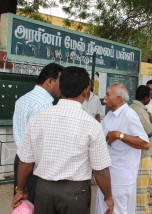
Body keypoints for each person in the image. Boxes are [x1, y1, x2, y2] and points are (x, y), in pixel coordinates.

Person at [11, 66, 114, 214]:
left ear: (61, 86)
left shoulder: (38, 119)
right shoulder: (91, 124)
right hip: (75, 194)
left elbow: (25, 161)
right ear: (86, 90)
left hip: (43, 190)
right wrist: (108, 196)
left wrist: (20, 189)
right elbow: (101, 171)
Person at [12, 62, 64, 204]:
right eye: (61, 82)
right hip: (35, 166)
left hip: (21, 161)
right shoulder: (44, 105)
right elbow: (45, 142)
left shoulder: (22, 99)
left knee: (21, 205)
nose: (62, 87)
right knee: (35, 205)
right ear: (49, 81)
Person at [96, 83, 150, 214]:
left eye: (108, 95)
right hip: (108, 177)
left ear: (118, 99)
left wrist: (120, 135)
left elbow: (145, 143)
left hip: (121, 179)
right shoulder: (110, 115)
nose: (104, 98)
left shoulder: (129, 115)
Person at [130, 85, 152, 212]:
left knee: (142, 187)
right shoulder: (141, 111)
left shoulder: (133, 108)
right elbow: (149, 131)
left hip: (138, 153)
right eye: (149, 96)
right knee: (143, 188)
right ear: (145, 97)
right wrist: (151, 121)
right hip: (143, 154)